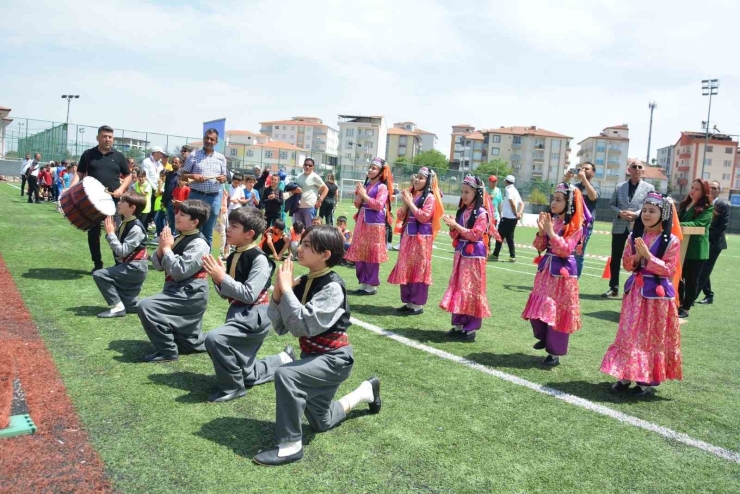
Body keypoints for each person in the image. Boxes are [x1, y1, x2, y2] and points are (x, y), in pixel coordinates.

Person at [252, 226, 381, 466]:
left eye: (308, 246)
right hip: (313, 359)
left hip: (334, 361)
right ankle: (366, 391)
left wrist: (287, 290)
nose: (299, 248)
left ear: (326, 255)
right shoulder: (302, 282)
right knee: (321, 422)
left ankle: (290, 445)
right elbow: (280, 327)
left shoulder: (332, 287)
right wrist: (279, 294)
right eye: (301, 243)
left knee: (287, 375)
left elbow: (303, 327)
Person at [202, 207, 291, 403]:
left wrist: (222, 277)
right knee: (248, 374)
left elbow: (250, 295)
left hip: (255, 315)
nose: (228, 230)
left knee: (215, 339)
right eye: (229, 225)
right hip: (238, 312)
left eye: (234, 226)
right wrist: (218, 279)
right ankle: (284, 358)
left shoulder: (260, 260)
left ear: (250, 234)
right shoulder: (234, 255)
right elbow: (228, 294)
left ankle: (233, 387)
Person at [600, 192, 682, 397]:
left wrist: (649, 257)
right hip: (635, 293)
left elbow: (670, 270)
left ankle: (646, 382)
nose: (646, 214)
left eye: (652, 211)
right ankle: (624, 376)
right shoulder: (634, 237)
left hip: (657, 298)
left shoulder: (671, 241)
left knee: (650, 337)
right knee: (629, 334)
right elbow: (627, 264)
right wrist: (637, 256)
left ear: (662, 214)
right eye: (644, 210)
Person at [136, 200, 211, 362]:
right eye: (177, 212)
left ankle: (167, 351)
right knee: (188, 343)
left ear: (195, 222)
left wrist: (167, 249)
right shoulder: (179, 237)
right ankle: (188, 342)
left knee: (146, 306)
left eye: (182, 215)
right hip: (176, 291)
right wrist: (161, 247)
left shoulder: (199, 244)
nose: (176, 216)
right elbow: (157, 265)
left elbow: (179, 272)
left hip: (190, 295)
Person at [521, 183, 585, 366]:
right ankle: (544, 337)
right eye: (553, 199)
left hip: (562, 276)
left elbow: (566, 250)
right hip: (546, 271)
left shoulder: (576, 226)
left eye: (558, 200)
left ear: (569, 203)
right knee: (537, 309)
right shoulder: (554, 221)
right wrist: (542, 232)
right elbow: (539, 246)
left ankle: (554, 353)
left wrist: (549, 232)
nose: (553, 203)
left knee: (557, 313)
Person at [71, 126, 132, 273]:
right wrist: (70, 187)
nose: (107, 139)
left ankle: (118, 264)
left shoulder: (119, 156)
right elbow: (79, 173)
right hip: (92, 203)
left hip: (114, 203)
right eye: (104, 136)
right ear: (98, 138)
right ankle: (97, 264)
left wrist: (121, 189)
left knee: (115, 233)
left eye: (110, 137)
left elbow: (128, 175)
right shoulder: (88, 154)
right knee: (93, 234)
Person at [439, 175, 493, 341]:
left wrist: (456, 226)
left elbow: (475, 235)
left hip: (474, 257)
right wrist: (452, 227)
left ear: (476, 193)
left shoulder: (482, 213)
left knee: (471, 290)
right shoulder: (462, 210)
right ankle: (458, 325)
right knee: (458, 287)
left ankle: (470, 329)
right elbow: (456, 234)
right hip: (461, 254)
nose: (464, 195)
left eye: (467, 192)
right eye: (462, 192)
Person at [388, 167, 444, 316]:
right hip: (408, 236)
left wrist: (410, 203)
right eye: (417, 177)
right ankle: (408, 302)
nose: (417, 180)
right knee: (406, 267)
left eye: (421, 178)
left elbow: (424, 217)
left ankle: (417, 305)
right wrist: (406, 203)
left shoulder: (430, 198)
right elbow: (400, 215)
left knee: (419, 269)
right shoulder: (412, 194)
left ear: (428, 181)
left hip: (421, 240)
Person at [603, 158, 655, 298]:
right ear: (629, 170)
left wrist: (637, 214)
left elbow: (650, 206)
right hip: (620, 226)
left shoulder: (649, 188)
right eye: (634, 166)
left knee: (639, 258)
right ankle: (614, 288)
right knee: (616, 257)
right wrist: (620, 213)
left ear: (643, 171)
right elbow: (611, 204)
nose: (637, 169)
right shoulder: (619, 187)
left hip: (639, 227)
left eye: (639, 167)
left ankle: (637, 288)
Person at [93, 192, 149, 318]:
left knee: (99, 275)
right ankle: (156, 306)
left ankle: (117, 308)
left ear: (132, 207)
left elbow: (122, 251)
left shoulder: (136, 228)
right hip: (130, 266)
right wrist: (111, 233)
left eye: (122, 201)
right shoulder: (126, 222)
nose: (118, 203)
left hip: (134, 268)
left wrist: (111, 234)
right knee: (130, 305)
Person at [344, 157, 393, 295]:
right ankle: (363, 283)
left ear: (381, 172)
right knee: (360, 252)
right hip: (362, 221)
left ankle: (371, 286)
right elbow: (357, 204)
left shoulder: (382, 187)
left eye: (374, 168)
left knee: (372, 254)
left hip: (374, 224)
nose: (370, 170)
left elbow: (378, 205)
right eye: (370, 167)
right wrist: (359, 196)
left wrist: (364, 196)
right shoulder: (367, 186)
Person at [180, 128, 228, 246]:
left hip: (214, 198)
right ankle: (191, 257)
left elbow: (224, 177)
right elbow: (182, 176)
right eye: (207, 138)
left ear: (216, 142)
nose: (209, 141)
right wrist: (193, 176)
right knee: (193, 229)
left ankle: (205, 261)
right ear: (203, 139)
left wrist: (223, 179)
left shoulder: (221, 158)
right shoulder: (194, 155)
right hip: (196, 196)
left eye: (212, 139)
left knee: (208, 232)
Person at [677, 179, 713, 319]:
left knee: (691, 281)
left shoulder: (707, 207)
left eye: (697, 189)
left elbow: (698, 224)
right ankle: (678, 304)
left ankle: (685, 309)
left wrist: (677, 223)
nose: (692, 190)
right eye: (692, 187)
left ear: (704, 192)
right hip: (682, 248)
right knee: (679, 278)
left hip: (696, 250)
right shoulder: (685, 204)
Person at [696, 181, 729, 305]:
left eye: (715, 188)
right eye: (710, 187)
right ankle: (709, 295)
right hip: (702, 241)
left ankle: (692, 297)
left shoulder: (722, 205)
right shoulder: (704, 203)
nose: (712, 189)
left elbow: (722, 227)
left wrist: (706, 238)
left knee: (705, 269)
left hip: (715, 244)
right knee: (703, 269)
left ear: (719, 191)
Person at [565, 162, 600, 277]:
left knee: (578, 255)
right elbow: (560, 192)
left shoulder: (595, 187)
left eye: (587, 169)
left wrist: (584, 178)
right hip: (571, 224)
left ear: (593, 173)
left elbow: (593, 196)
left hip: (585, 226)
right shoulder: (574, 186)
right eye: (582, 168)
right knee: (565, 251)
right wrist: (566, 178)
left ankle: (574, 280)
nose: (584, 170)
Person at [491, 175, 522, 262]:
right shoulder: (515, 190)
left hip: (507, 217)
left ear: (506, 182)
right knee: (509, 238)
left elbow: (512, 202)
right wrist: (519, 213)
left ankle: (495, 255)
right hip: (513, 219)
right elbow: (521, 203)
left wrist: (516, 213)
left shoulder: (508, 190)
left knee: (499, 235)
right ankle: (512, 256)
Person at [292, 158, 328, 228]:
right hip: (298, 207)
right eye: (306, 165)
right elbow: (293, 190)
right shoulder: (299, 176)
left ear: (313, 167)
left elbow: (326, 189)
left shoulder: (315, 177)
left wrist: (320, 200)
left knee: (310, 229)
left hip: (309, 207)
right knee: (298, 230)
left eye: (310, 165)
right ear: (303, 166)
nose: (307, 167)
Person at [141, 146, 165, 221]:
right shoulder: (146, 161)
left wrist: (160, 188)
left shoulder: (160, 164)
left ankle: (151, 223)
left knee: (155, 208)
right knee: (148, 207)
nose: (161, 155)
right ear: (155, 153)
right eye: (160, 153)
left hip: (157, 189)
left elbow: (161, 176)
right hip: (148, 189)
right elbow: (146, 176)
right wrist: (154, 187)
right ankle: (145, 224)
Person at [162, 156, 183, 232]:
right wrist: (163, 201)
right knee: (170, 221)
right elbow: (166, 188)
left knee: (178, 221)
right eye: (173, 162)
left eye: (176, 163)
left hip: (178, 203)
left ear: (180, 164)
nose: (174, 164)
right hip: (168, 201)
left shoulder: (182, 176)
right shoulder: (169, 174)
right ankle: (172, 237)